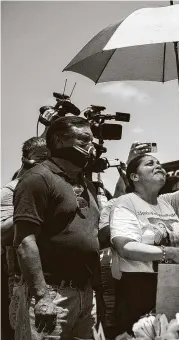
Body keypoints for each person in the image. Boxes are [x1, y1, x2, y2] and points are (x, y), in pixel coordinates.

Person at [13, 117, 107, 339]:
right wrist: (42, 297)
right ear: (58, 139)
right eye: (84, 140)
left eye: (92, 140)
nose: (91, 147)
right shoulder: (37, 178)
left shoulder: (87, 185)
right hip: (52, 295)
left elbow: (89, 235)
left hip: (85, 295)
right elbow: (25, 242)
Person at [109, 139, 179, 335]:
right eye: (149, 164)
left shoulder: (166, 202)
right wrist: (168, 252)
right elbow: (124, 247)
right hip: (139, 288)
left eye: (159, 163)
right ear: (134, 176)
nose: (158, 165)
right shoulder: (126, 202)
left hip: (174, 283)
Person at [2, 137, 48, 340]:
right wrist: (31, 206)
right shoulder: (12, 189)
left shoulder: (69, 186)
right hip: (26, 283)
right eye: (41, 159)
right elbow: (2, 233)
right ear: (26, 161)